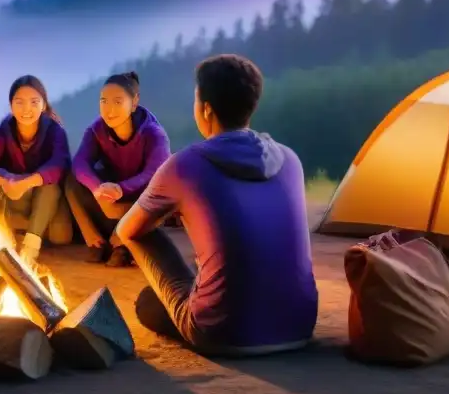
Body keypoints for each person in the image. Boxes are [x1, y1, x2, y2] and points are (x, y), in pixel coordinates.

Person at [115, 54, 319, 357]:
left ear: (206, 109)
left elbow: (127, 230)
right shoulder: (290, 160)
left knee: (147, 302)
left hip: (224, 334)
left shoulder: (185, 164)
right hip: (300, 326)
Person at [66, 71, 171, 267]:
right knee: (71, 179)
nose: (109, 110)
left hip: (139, 205)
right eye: (103, 101)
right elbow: (80, 162)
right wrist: (97, 188)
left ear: (134, 103)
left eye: (117, 102)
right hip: (109, 200)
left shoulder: (154, 134)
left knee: (159, 198)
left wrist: (121, 188)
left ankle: (121, 244)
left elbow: (154, 174)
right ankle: (96, 242)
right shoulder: (97, 130)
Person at [0, 75, 72, 263]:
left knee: (51, 187)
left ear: (44, 105)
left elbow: (60, 164)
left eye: (34, 102)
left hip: (45, 207)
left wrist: (26, 182)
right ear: (11, 105)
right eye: (19, 102)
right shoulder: (4, 131)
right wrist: (4, 180)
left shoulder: (54, 131)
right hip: (14, 200)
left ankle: (30, 245)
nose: (26, 109)